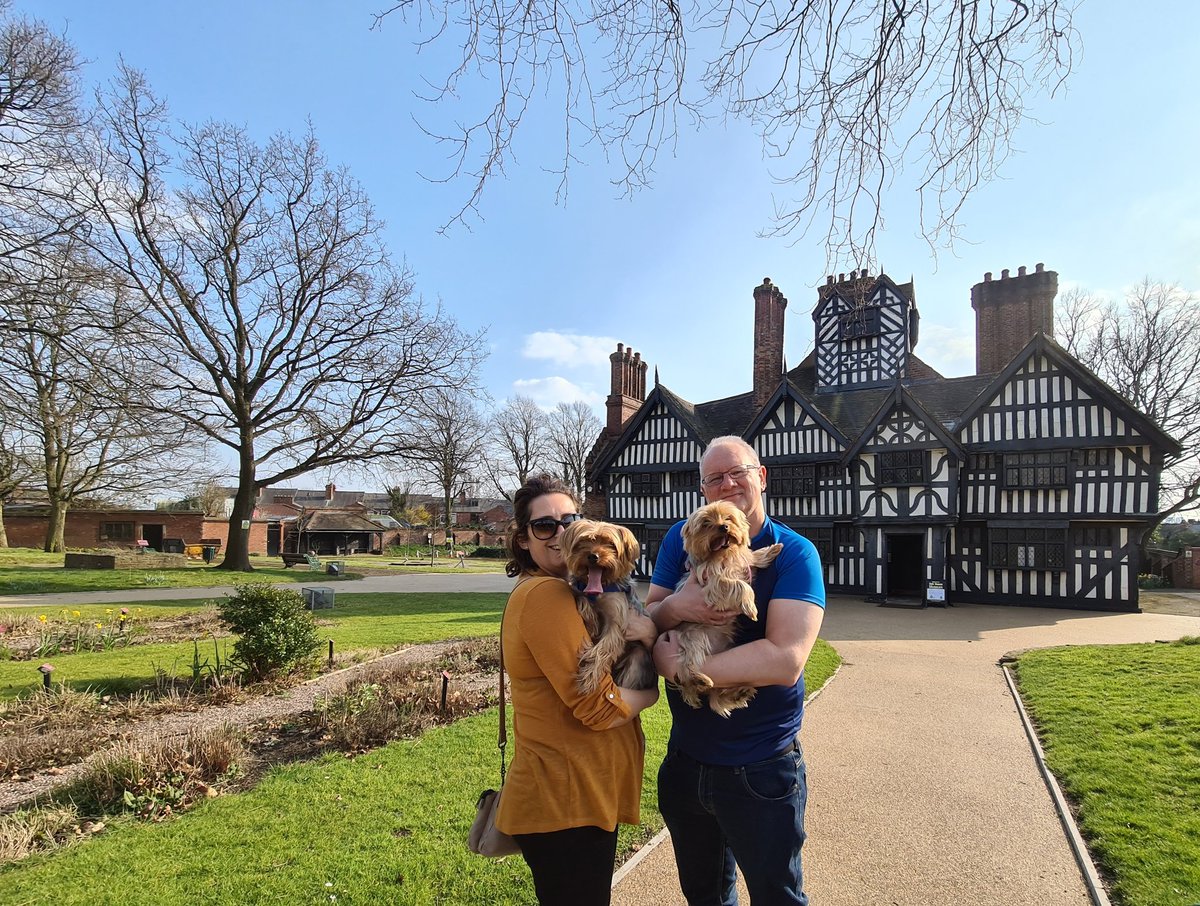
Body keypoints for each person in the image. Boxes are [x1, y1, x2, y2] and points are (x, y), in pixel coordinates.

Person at [646, 436, 826, 905]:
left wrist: (687, 670)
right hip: (686, 762)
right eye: (714, 478)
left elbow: (785, 660)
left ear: (761, 476)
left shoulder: (794, 553)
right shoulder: (677, 538)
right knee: (705, 897)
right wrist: (677, 608)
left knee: (776, 897)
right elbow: (649, 619)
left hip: (762, 768)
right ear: (703, 490)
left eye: (737, 472)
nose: (727, 485)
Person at [495, 474, 660, 906]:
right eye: (544, 525)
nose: (560, 532)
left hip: (576, 794)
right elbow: (598, 708)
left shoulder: (569, 593)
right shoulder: (547, 595)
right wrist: (650, 695)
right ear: (523, 540)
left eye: (569, 520)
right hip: (564, 802)